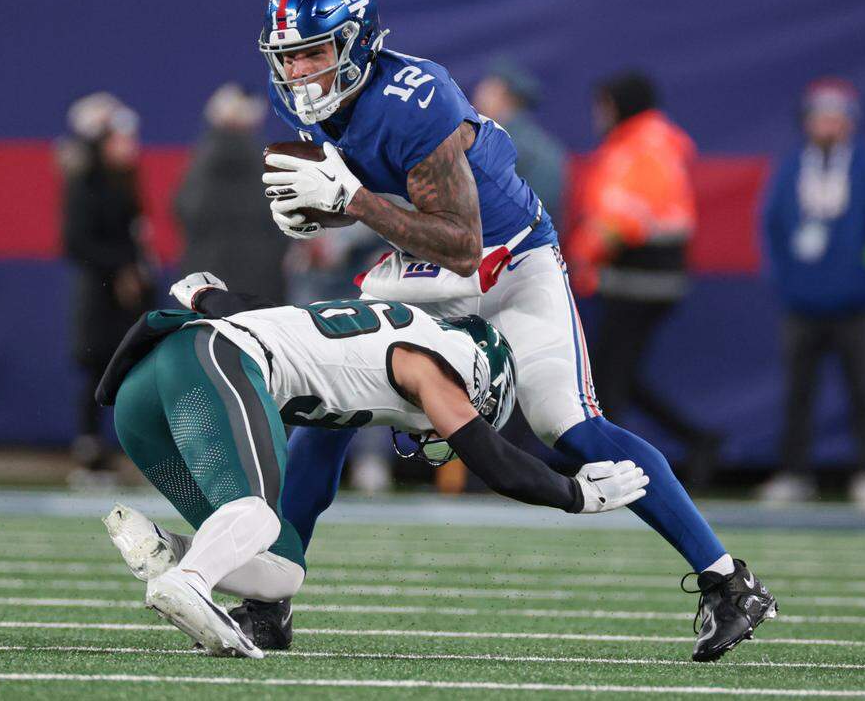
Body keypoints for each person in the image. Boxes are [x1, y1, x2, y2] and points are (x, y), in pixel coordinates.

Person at [253, 0, 775, 662]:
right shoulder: (301, 100)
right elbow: (373, 197)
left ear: (359, 41)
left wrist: (350, 203)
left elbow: (464, 245)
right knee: (326, 404)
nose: (301, 72)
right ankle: (268, 598)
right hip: (423, 267)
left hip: (509, 257)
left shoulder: (416, 98)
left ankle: (727, 580)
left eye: (316, 52)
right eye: (289, 56)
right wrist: (322, 217)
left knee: (570, 423)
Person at [97, 271, 649, 657]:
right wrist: (575, 493)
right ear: (483, 382)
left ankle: (168, 553)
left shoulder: (380, 335)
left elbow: (259, 314)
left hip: (145, 396)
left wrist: (205, 297)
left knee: (282, 566)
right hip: (209, 363)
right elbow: (493, 460)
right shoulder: (436, 363)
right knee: (258, 513)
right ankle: (190, 581)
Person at [565, 71, 722, 489]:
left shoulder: (637, 148)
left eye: (605, 104)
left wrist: (577, 256)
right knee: (619, 376)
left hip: (638, 281)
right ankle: (698, 440)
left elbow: (621, 218)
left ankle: (611, 469)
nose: (599, 114)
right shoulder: (654, 143)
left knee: (606, 381)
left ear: (620, 105)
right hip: (649, 280)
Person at [759, 78, 865, 510]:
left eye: (835, 116)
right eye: (820, 116)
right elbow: (773, 223)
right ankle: (795, 473)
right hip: (803, 302)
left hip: (856, 303)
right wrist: (785, 278)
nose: (827, 124)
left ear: (849, 122)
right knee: (799, 392)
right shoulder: (791, 165)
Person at [61, 92, 155, 476]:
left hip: (128, 294)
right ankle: (90, 453)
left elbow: (135, 236)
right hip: (101, 296)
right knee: (100, 373)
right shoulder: (86, 185)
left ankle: (138, 453)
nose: (129, 146)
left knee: (137, 370)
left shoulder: (124, 181)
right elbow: (77, 243)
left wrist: (138, 271)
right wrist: (120, 270)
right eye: (119, 138)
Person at [174, 84, 287, 301]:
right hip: (260, 276)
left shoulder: (202, 160)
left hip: (209, 277)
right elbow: (278, 213)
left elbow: (185, 209)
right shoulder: (259, 159)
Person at [472, 57, 567, 224]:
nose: (478, 92)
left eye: (487, 86)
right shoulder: (536, 139)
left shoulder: (504, 140)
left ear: (500, 91)